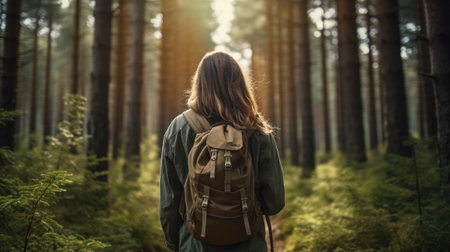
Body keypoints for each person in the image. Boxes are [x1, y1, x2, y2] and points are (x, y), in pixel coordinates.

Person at [159, 51, 285, 252]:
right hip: (249, 243)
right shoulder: (257, 129)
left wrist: (175, 243)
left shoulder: (179, 128)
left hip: (194, 243)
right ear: (239, 83)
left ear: (199, 83)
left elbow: (169, 203)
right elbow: (274, 201)